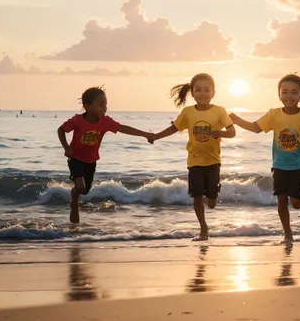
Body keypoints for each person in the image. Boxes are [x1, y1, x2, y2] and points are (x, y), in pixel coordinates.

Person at [230, 73, 300, 241]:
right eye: (285, 92)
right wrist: (237, 120)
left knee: (295, 204)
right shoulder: (274, 114)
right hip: (279, 165)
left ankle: (298, 197)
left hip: (298, 165)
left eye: (294, 92)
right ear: (279, 95)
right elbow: (256, 128)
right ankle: (287, 233)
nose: (289, 96)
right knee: (281, 200)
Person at [150, 73, 235, 240]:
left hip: (213, 162)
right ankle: (203, 228)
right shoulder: (188, 112)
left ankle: (212, 193)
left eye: (206, 90)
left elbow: (232, 132)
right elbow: (174, 128)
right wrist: (155, 136)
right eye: (198, 90)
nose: (202, 93)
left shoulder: (219, 111)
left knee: (211, 203)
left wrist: (219, 133)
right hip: (194, 162)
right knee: (197, 198)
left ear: (213, 93)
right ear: (192, 93)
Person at [57, 86, 153, 224]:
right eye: (101, 104)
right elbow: (61, 130)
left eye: (106, 104)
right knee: (79, 186)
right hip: (76, 158)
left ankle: (76, 195)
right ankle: (74, 203)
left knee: (84, 190)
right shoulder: (78, 120)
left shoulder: (105, 122)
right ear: (87, 106)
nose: (105, 108)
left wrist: (145, 134)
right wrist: (66, 148)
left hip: (91, 160)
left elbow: (123, 128)